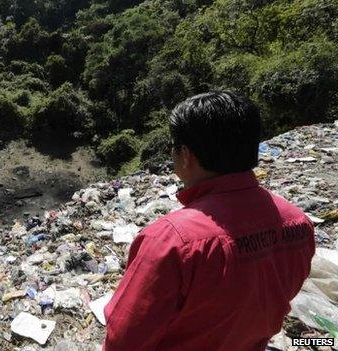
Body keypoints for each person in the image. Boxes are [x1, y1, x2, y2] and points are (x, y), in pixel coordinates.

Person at [103, 91, 315, 351]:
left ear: (185, 155)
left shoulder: (170, 242)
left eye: (174, 146)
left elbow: (123, 340)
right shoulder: (299, 223)